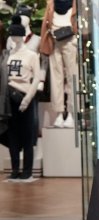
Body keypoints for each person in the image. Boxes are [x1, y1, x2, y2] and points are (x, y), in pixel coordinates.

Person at [6, 15, 40, 182]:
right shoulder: (8, 55)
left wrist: (27, 98)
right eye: (11, 35)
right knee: (12, 135)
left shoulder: (32, 55)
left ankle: (27, 170)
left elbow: (37, 79)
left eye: (16, 35)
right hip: (8, 99)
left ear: (22, 36)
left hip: (24, 97)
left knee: (27, 135)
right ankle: (14, 170)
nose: (14, 38)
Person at [39, 0, 78, 128]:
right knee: (56, 79)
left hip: (71, 41)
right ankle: (59, 113)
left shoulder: (75, 3)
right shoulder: (51, 3)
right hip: (54, 42)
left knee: (72, 78)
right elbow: (46, 23)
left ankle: (72, 113)